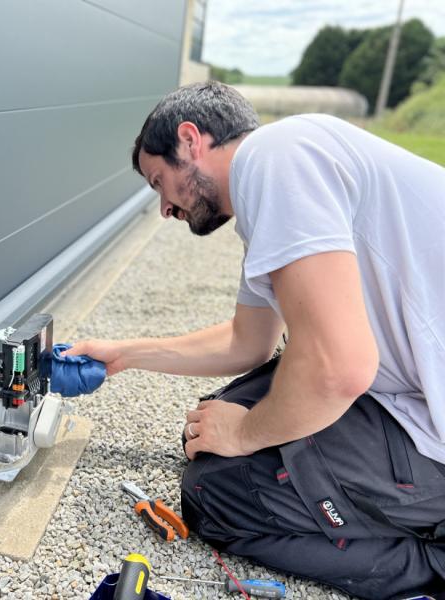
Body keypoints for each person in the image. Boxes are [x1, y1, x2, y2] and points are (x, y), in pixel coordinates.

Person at [65, 81, 445, 599]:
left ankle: (431, 560)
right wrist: (124, 355)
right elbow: (248, 343)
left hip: (431, 438)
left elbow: (340, 368)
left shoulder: (276, 159)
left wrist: (245, 435)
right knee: (208, 427)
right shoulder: (281, 171)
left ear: (190, 140)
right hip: (408, 392)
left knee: (213, 493)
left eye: (160, 182)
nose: (165, 209)